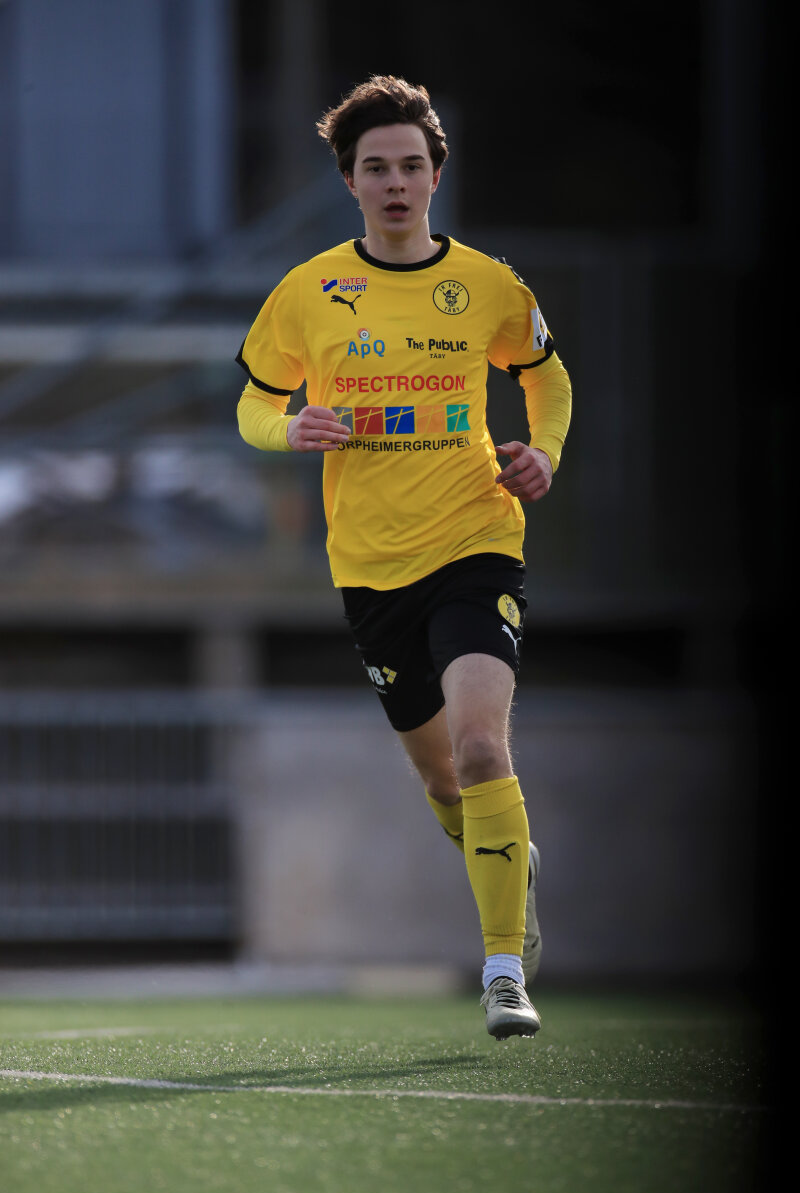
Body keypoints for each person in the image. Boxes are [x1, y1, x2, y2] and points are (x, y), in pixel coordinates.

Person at [236, 75, 572, 1040]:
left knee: (481, 748)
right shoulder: (308, 291)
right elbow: (254, 402)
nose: (395, 184)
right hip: (369, 567)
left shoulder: (490, 285)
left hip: (475, 539)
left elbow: (546, 376)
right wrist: (290, 429)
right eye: (376, 168)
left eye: (411, 166)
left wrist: (544, 452)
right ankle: (511, 865)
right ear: (350, 182)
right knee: (443, 782)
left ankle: (502, 972)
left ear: (435, 176)